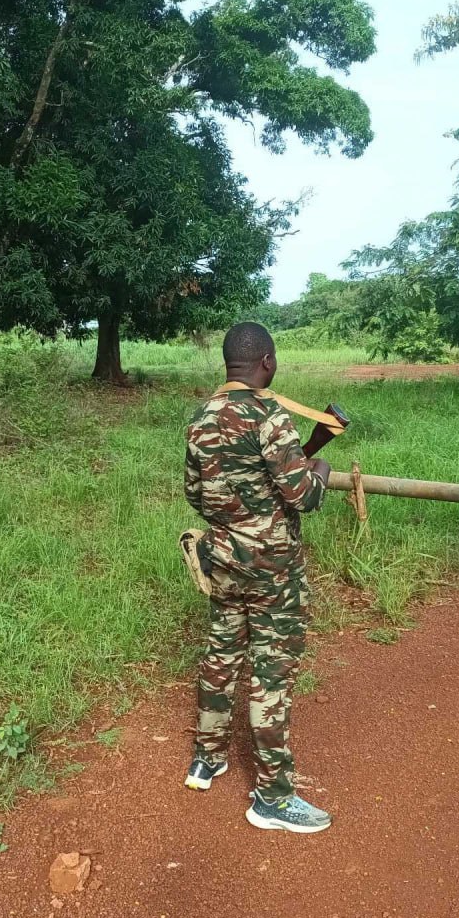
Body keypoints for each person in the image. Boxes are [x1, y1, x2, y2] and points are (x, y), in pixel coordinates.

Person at [182, 321, 333, 833]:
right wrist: (322, 475)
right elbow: (302, 497)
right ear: (266, 362)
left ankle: (208, 758)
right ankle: (272, 796)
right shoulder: (271, 416)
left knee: (221, 652)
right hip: (274, 568)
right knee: (271, 672)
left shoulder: (201, 419)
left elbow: (196, 496)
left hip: (224, 559)